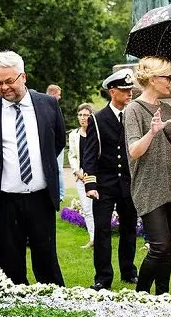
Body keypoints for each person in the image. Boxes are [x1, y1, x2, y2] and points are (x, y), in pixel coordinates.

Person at [0, 51, 65, 286]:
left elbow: (57, 142)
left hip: (41, 196)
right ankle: (13, 304)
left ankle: (56, 300)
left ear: (23, 76)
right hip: (4, 199)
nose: (4, 87)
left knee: (46, 256)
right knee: (9, 259)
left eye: (9, 81)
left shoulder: (48, 104)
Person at [124, 57, 171, 295]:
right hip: (148, 187)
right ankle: (140, 295)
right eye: (167, 77)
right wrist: (152, 132)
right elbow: (134, 151)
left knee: (167, 246)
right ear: (152, 80)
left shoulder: (168, 108)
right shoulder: (134, 110)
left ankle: (163, 295)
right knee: (159, 246)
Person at [83, 69, 139, 290]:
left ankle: (128, 271)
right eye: (125, 90)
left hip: (128, 183)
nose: (129, 93)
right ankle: (103, 277)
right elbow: (89, 154)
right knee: (102, 230)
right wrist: (90, 183)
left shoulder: (134, 115)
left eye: (130, 89)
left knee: (129, 229)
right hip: (104, 185)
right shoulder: (97, 119)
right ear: (113, 92)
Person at [68, 103, 95, 249]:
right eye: (80, 115)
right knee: (86, 208)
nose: (83, 118)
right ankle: (93, 238)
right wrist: (76, 171)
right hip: (81, 174)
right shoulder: (74, 135)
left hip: (95, 175)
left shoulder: (95, 133)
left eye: (86, 115)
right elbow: (72, 155)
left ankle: (101, 237)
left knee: (99, 207)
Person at [46, 84, 65, 202]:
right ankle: (58, 194)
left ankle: (60, 194)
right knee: (57, 169)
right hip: (51, 144)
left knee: (58, 169)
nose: (60, 98)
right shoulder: (51, 107)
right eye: (58, 95)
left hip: (55, 143)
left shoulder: (51, 107)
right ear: (53, 94)